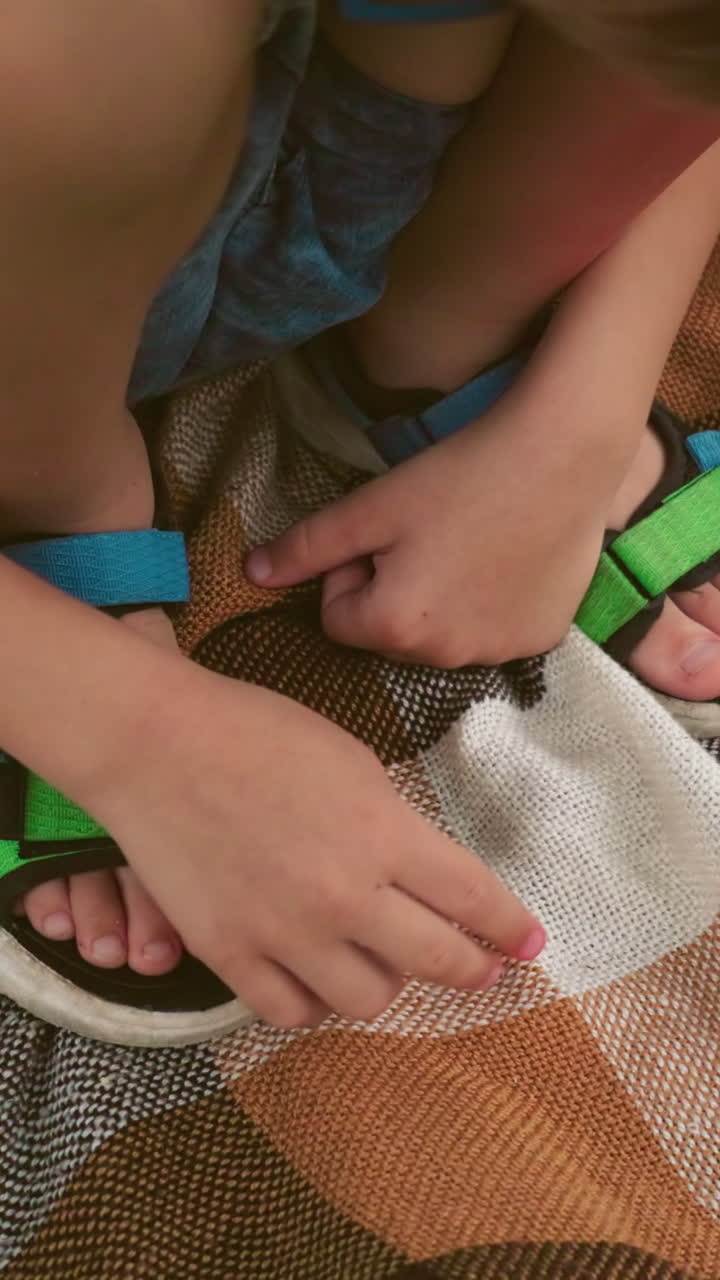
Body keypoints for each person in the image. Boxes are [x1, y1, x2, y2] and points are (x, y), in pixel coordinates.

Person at [2, 0, 719, 1030]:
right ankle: (51, 501)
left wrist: (579, 420)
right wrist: (125, 729)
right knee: (77, 45)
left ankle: (448, 330)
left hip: (392, 146)